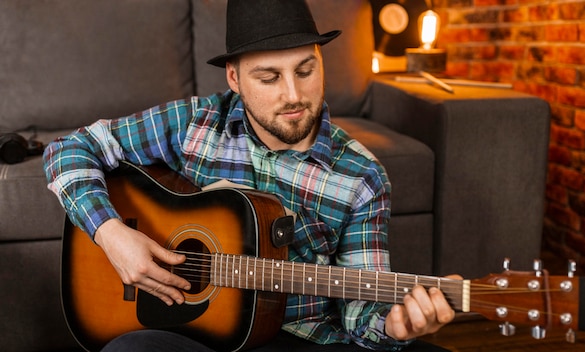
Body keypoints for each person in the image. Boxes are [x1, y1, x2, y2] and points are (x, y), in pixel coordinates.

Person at [44, 0, 458, 351]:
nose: (294, 95)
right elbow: (71, 147)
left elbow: (361, 313)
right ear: (234, 78)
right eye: (269, 77)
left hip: (302, 339)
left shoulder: (362, 176)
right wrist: (112, 234)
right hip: (196, 332)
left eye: (305, 70)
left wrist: (396, 327)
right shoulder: (196, 122)